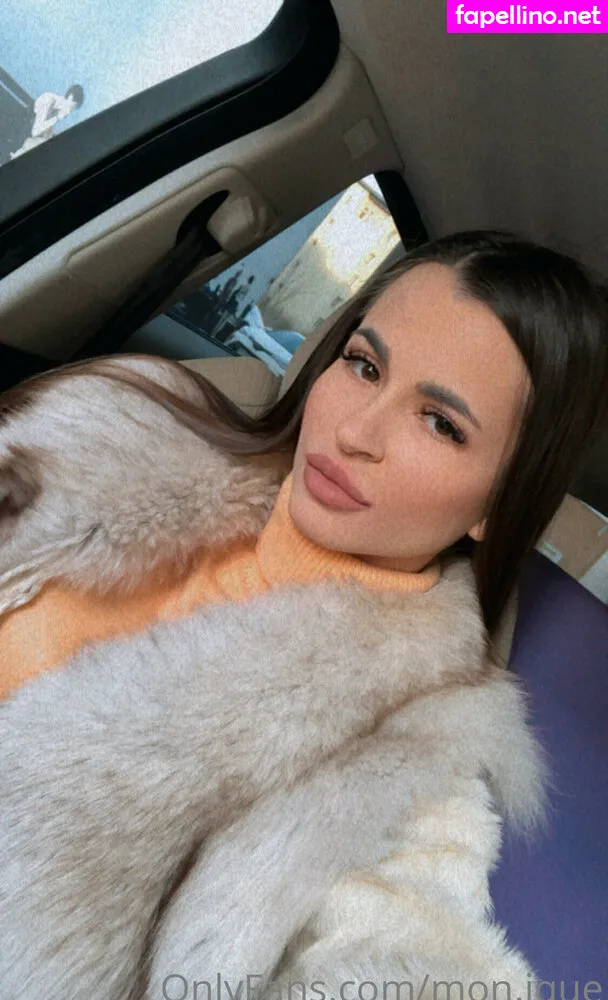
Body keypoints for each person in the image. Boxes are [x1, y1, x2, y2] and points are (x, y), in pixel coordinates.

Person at [0, 230, 606, 996]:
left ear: (498, 504)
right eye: (364, 365)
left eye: (440, 423)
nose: (355, 431)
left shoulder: (414, 751)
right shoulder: (126, 434)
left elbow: (389, 948)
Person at [8, 83, 85, 159]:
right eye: (70, 108)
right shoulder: (48, 99)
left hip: (27, 143)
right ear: (70, 97)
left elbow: (46, 135)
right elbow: (35, 131)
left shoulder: (56, 111)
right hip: (16, 133)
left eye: (71, 111)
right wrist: (56, 118)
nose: (68, 113)